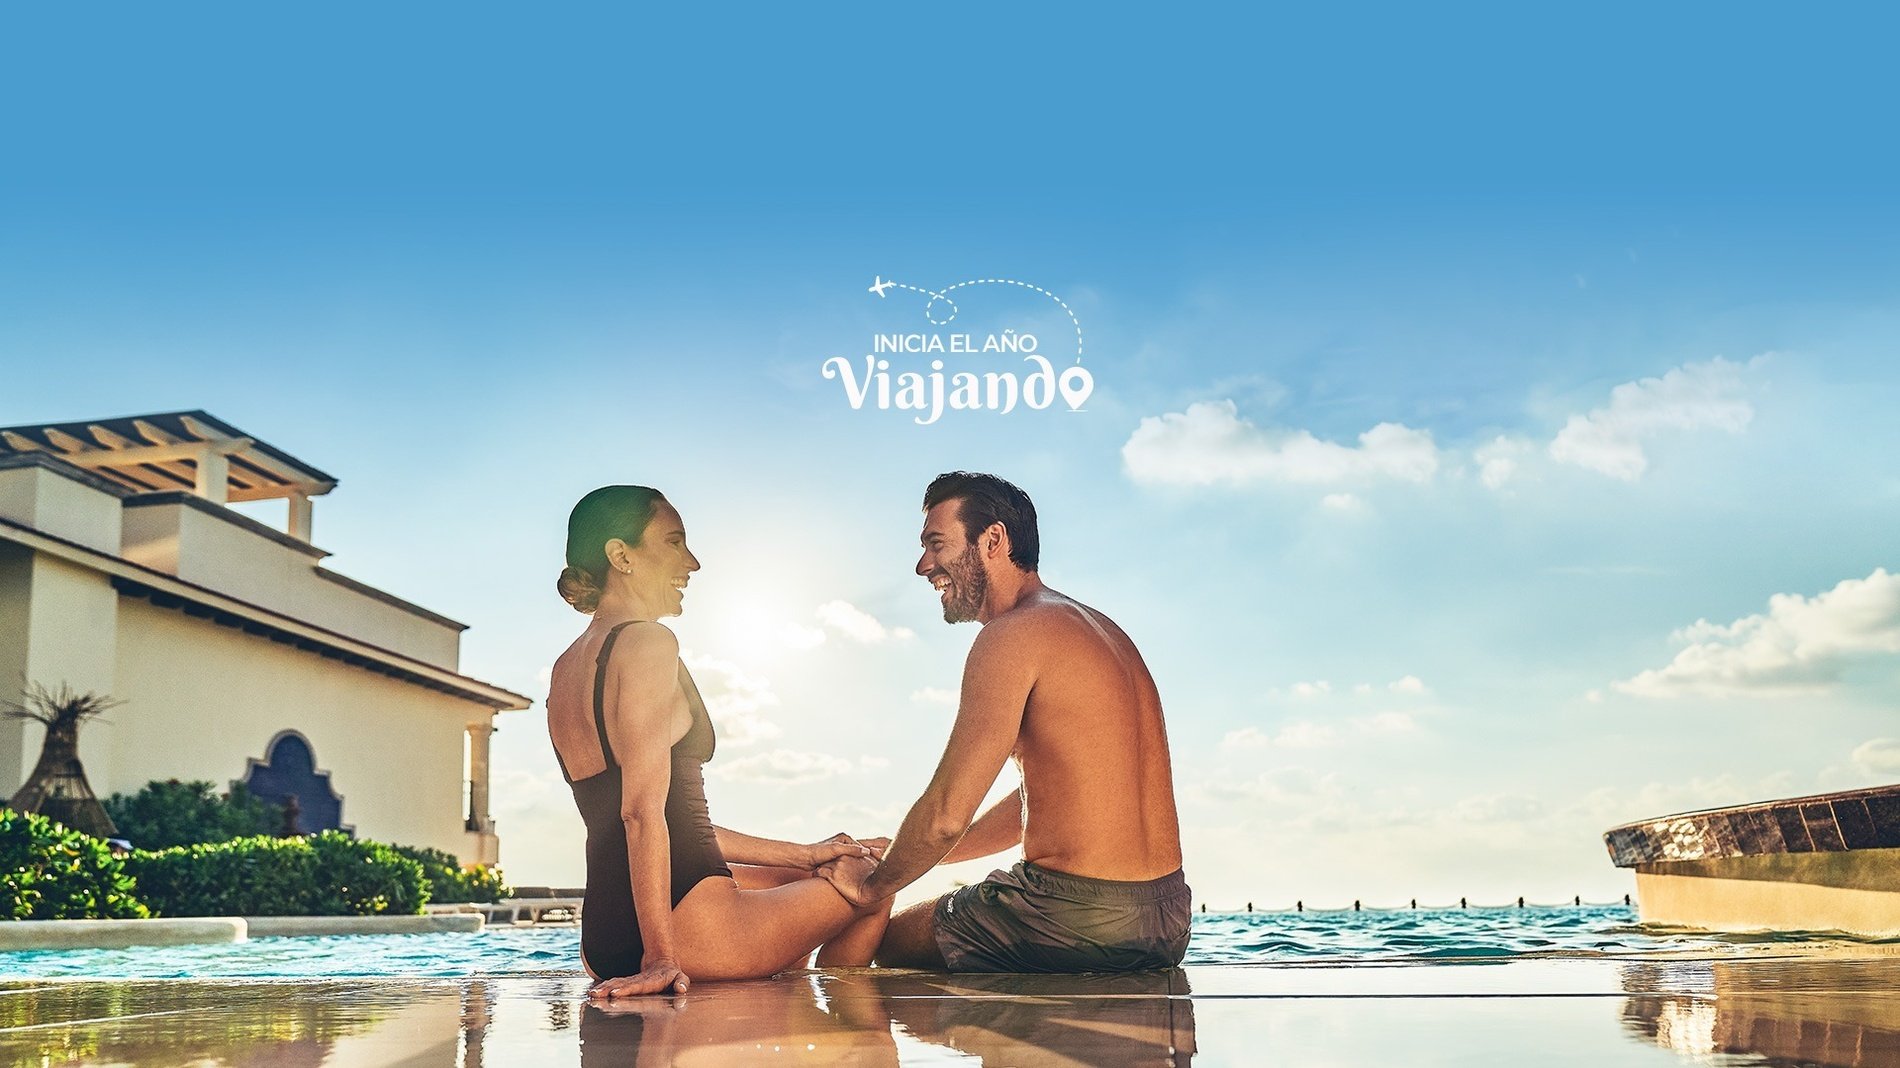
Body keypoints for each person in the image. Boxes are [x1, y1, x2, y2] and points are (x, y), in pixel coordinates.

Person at [819, 472, 1191, 972]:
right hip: (1167, 920)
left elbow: (947, 812)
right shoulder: (1104, 632)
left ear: (992, 539)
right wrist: (916, 855)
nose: (922, 565)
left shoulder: (1011, 635)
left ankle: (829, 1041)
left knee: (872, 941)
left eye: (935, 544)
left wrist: (873, 885)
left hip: (1067, 915)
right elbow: (1039, 798)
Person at [549, 485, 890, 998]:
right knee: (871, 876)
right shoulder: (648, 642)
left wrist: (805, 854)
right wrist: (660, 958)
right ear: (621, 556)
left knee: (815, 870)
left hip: (603, 939)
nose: (692, 562)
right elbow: (642, 814)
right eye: (674, 541)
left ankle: (774, 1003)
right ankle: (844, 1019)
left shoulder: (565, 668)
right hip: (684, 931)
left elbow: (667, 818)